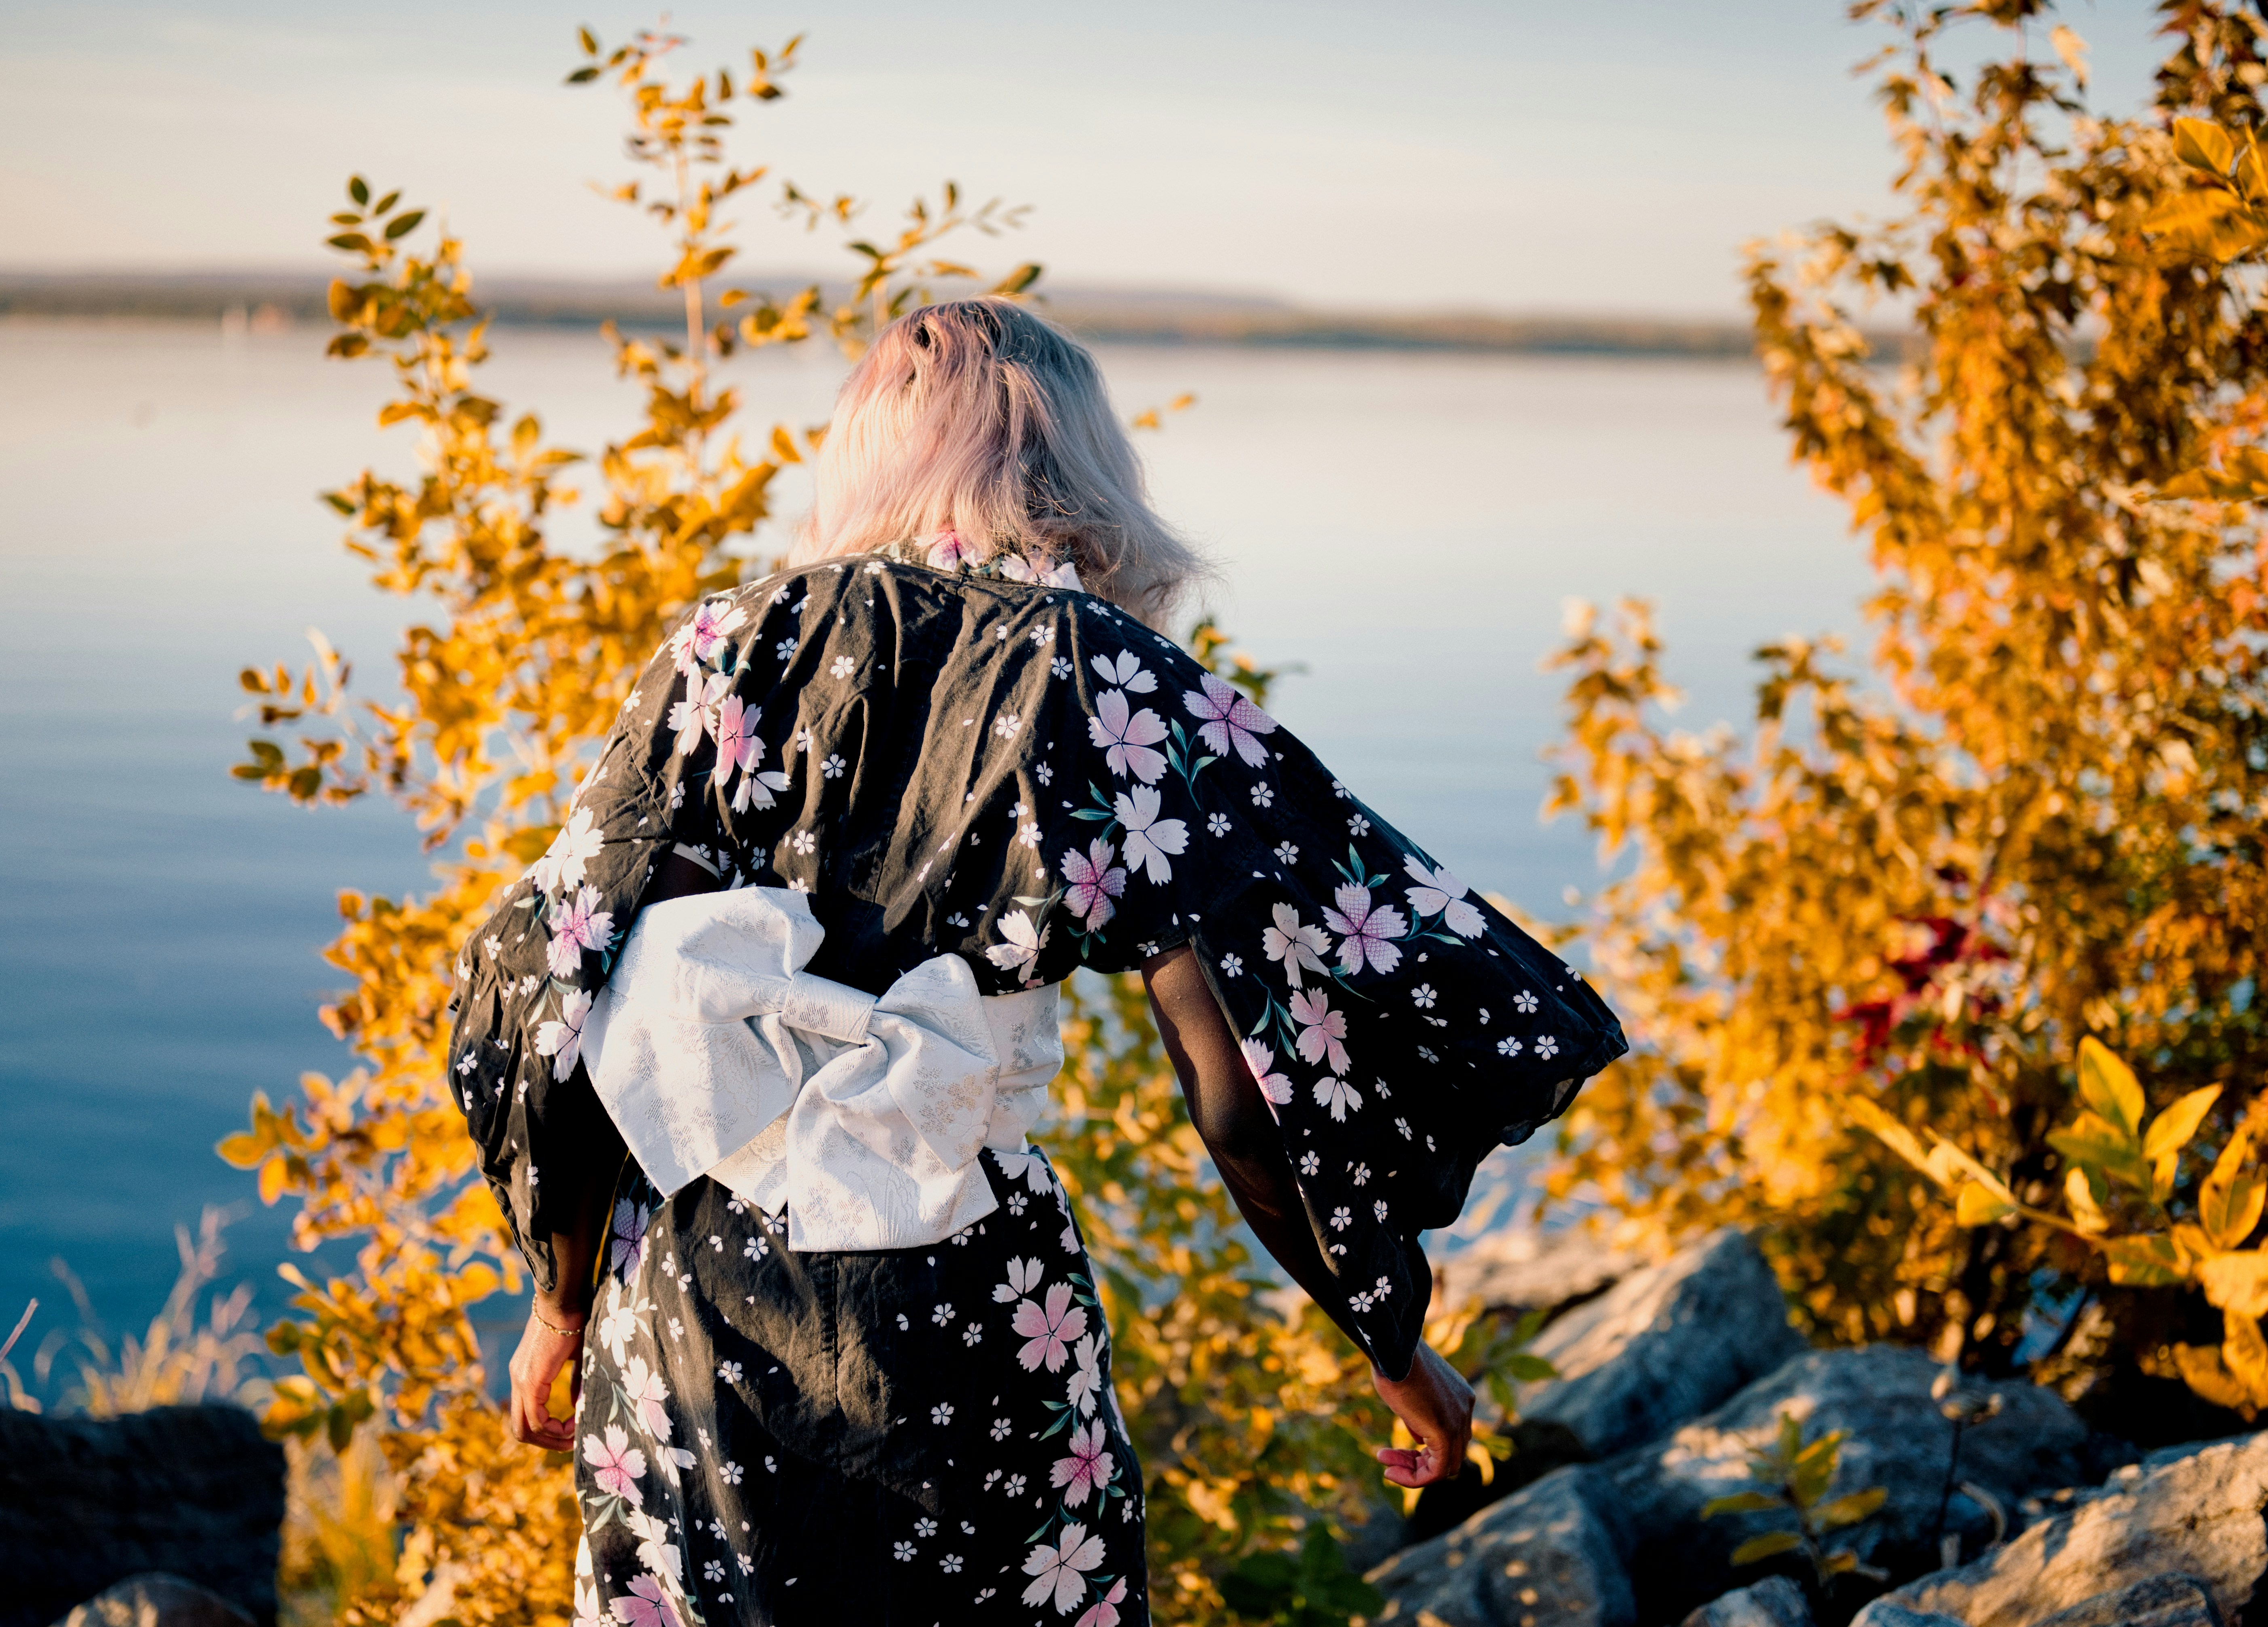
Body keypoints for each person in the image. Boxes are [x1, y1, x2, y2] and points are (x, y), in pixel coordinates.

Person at [446, 297, 1626, 1625]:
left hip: (701, 1298)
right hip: (969, 1290)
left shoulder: (726, 649)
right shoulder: (1105, 675)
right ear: (1080, 465)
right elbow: (1246, 1091)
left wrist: (557, 1294)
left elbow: (557, 982)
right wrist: (1389, 1332)